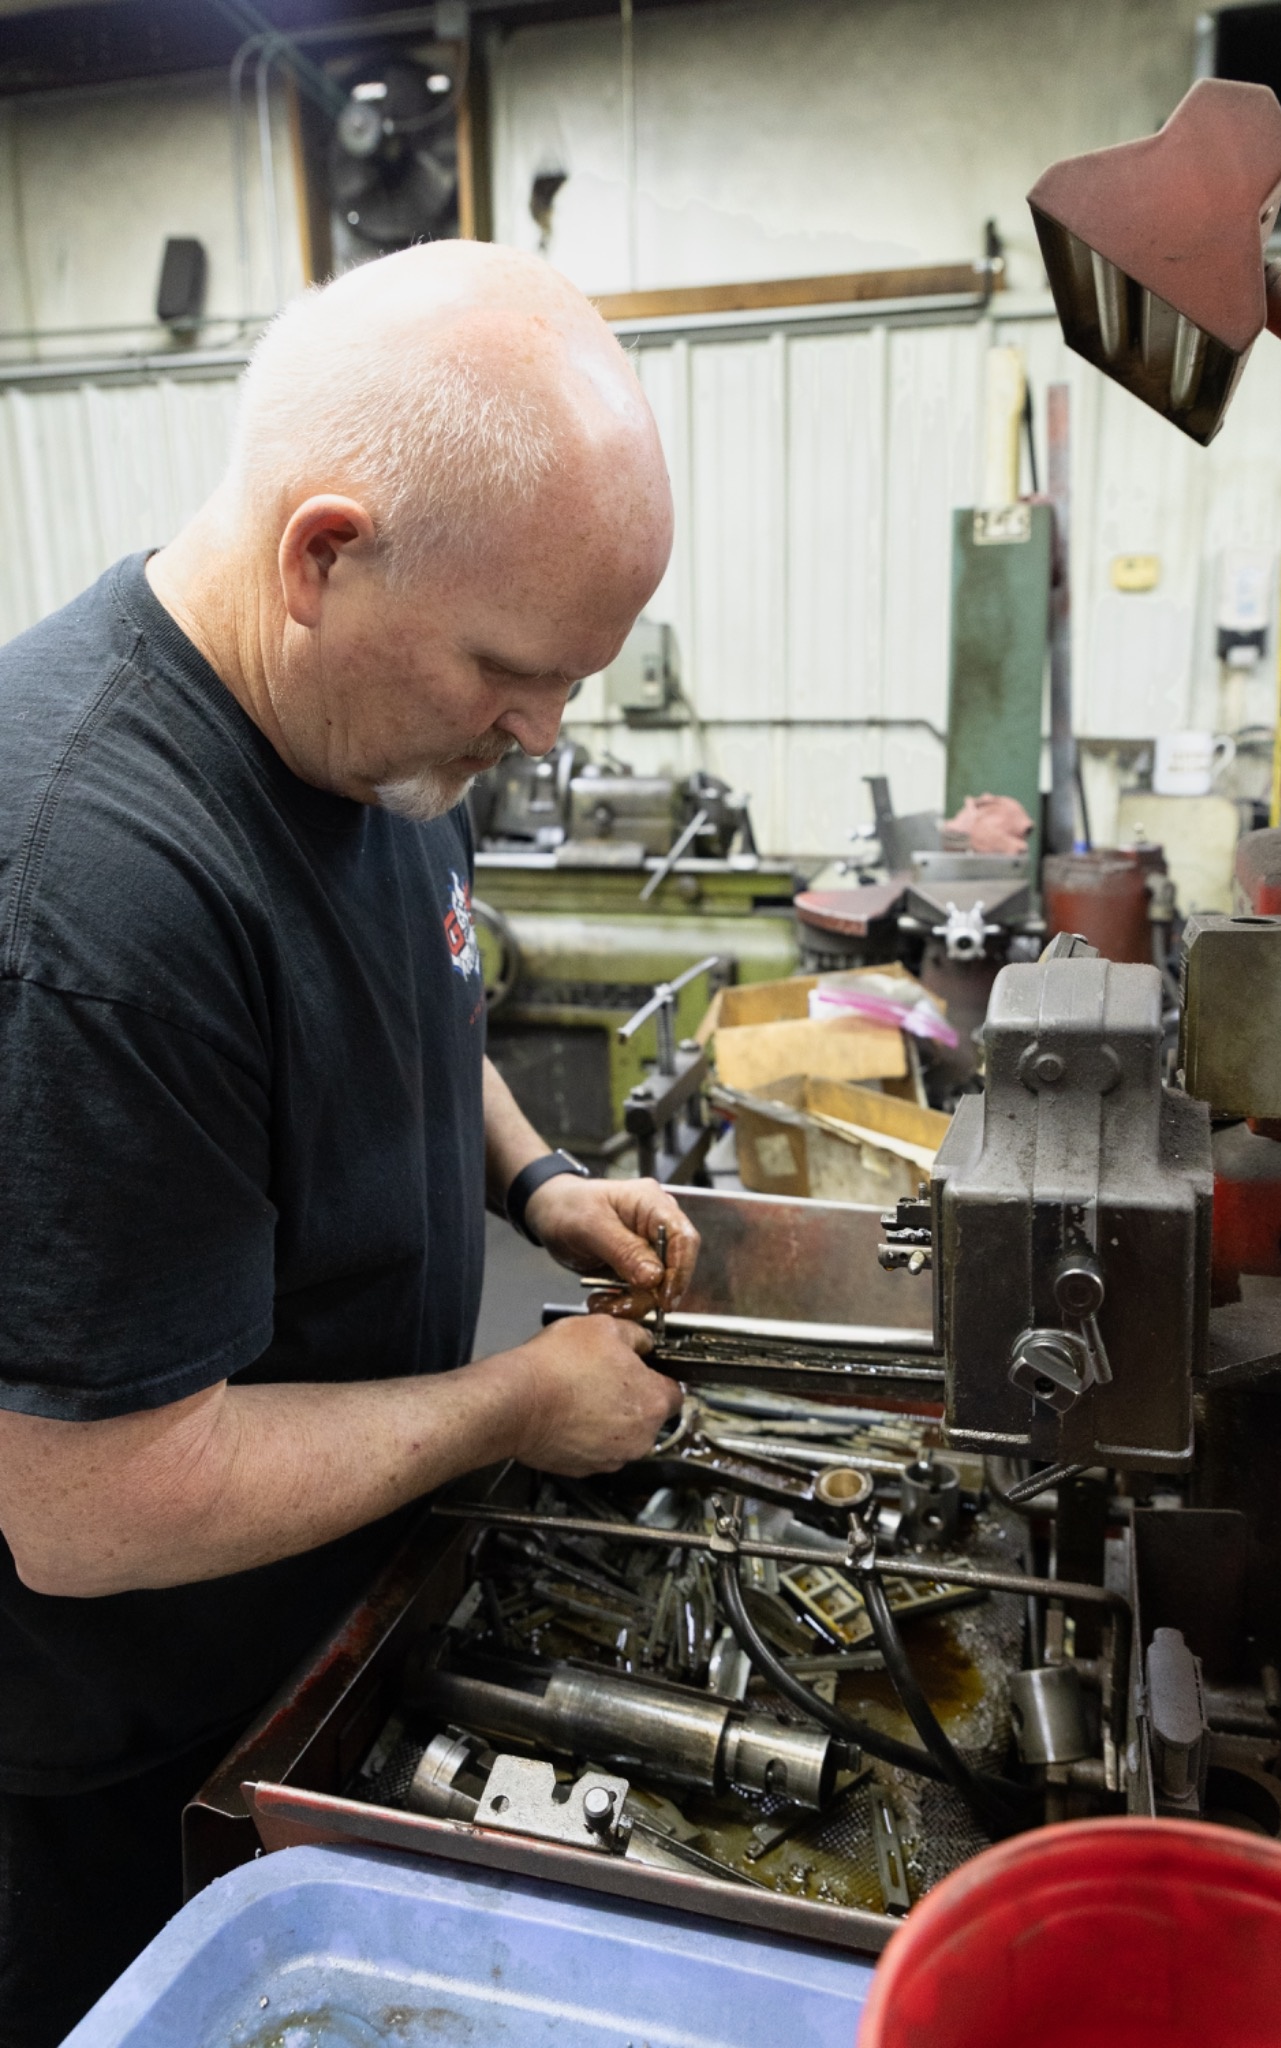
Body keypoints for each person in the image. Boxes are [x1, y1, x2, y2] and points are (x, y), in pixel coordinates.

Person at [0, 240, 700, 2048]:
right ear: (324, 553)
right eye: (511, 672)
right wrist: (513, 1406)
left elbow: (417, 1001)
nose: (540, 733)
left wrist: (536, 1178)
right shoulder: (96, 894)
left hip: (322, 1622)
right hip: (125, 1761)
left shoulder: (379, 740)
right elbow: (85, 1510)